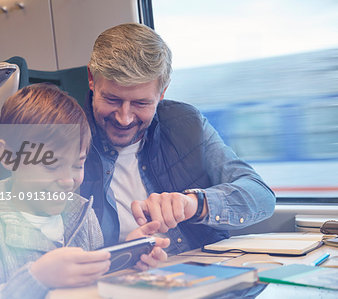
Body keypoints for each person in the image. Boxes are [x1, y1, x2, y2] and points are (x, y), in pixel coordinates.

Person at [0, 83, 169, 298]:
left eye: (77, 165)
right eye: (51, 165)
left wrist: (125, 261)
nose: (67, 181)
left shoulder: (83, 214)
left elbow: (94, 288)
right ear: (8, 157)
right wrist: (36, 279)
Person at [80, 23, 276, 253]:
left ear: (162, 92)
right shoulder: (65, 134)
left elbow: (261, 195)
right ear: (92, 78)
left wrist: (194, 204)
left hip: (202, 269)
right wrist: (125, 255)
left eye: (141, 103)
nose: (124, 118)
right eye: (112, 100)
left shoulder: (186, 123)